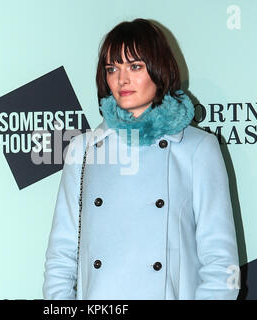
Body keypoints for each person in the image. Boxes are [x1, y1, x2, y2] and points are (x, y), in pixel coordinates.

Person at [43, 18, 240, 300]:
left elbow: (221, 261)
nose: (122, 80)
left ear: (159, 69)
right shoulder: (83, 150)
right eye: (113, 69)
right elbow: (61, 255)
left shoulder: (198, 149)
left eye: (135, 66)